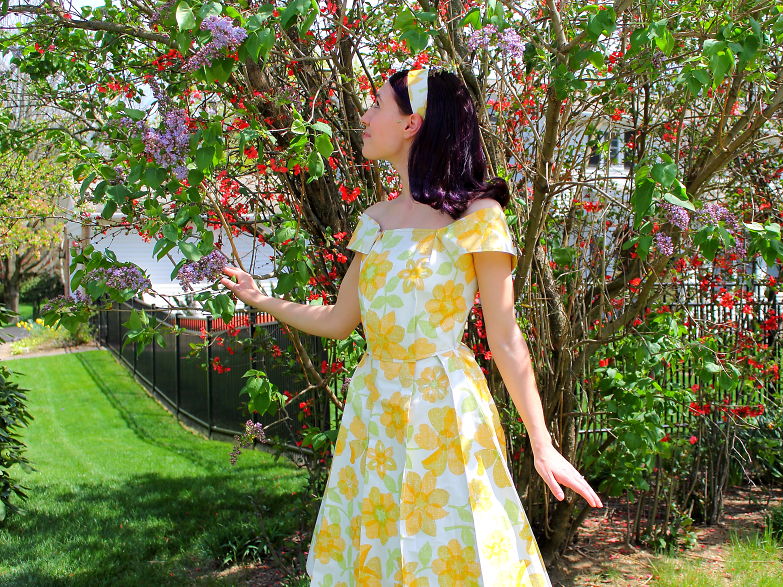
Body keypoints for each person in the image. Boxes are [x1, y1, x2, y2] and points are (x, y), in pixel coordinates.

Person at [220, 67, 602, 586]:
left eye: (377, 106)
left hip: (445, 412)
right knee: (377, 551)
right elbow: (337, 320)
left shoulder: (478, 215)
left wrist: (541, 442)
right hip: (375, 412)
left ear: (411, 124)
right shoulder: (375, 219)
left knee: (450, 548)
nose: (365, 116)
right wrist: (259, 297)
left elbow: (505, 337)